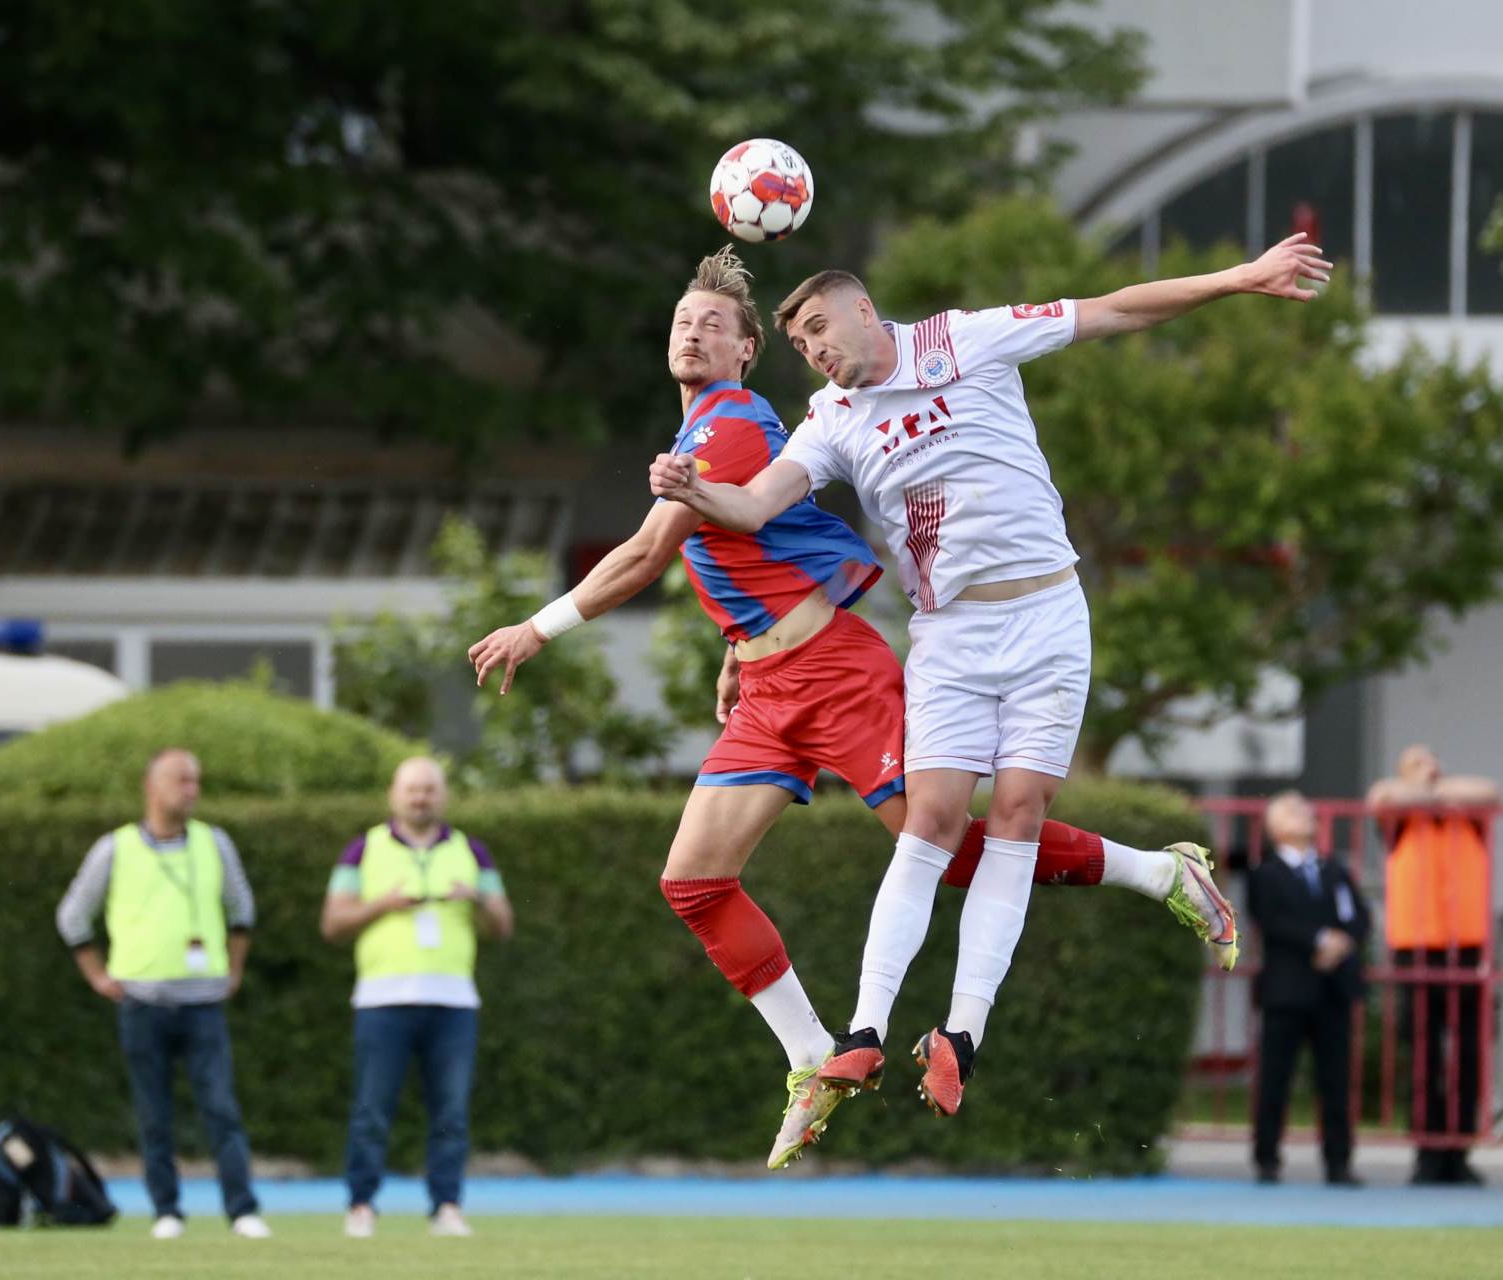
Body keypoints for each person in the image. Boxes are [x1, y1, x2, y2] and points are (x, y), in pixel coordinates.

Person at [468, 248, 1240, 1168]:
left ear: (748, 352)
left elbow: (650, 555)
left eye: (715, 324)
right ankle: (811, 1055)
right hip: (767, 689)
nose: (693, 330)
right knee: (694, 882)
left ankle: (1158, 874)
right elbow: (746, 550)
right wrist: (732, 646)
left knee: (947, 851)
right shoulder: (738, 430)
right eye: (682, 318)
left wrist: (538, 627)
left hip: (838, 672)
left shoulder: (732, 420)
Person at [650, 233, 1330, 1119]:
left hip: (1046, 615)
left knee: (1013, 815)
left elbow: (1118, 308)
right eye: (803, 343)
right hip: (949, 636)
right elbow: (754, 504)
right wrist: (695, 492)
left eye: (822, 328)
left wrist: (1242, 277)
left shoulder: (967, 340)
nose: (815, 351)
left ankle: (962, 1034)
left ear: (867, 312)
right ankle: (861, 1036)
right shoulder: (830, 419)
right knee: (929, 823)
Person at [54, 748, 270, 1240]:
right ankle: (167, 1211)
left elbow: (242, 911)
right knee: (154, 1113)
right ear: (152, 787)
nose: (192, 789)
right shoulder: (116, 847)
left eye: (196, 780)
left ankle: (242, 1211)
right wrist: (96, 974)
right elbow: (72, 916)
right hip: (142, 1003)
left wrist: (233, 969)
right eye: (181, 780)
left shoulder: (215, 843)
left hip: (204, 1002)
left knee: (222, 1109)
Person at [320, 757, 513, 1239]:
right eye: (412, 789)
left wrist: (479, 899)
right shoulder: (362, 849)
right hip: (382, 1001)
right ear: (394, 794)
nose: (420, 797)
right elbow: (332, 924)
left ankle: (446, 1206)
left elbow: (503, 925)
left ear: (442, 796)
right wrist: (380, 905)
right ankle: (361, 1205)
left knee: (450, 1111)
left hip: (452, 1002)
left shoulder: (473, 851)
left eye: (429, 789)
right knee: (372, 1108)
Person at [1365, 744, 1499, 1185]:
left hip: (1467, 945)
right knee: (1423, 1051)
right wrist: (1419, 790)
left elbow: (1489, 791)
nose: (1430, 770)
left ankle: (1458, 1149)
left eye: (1433, 763)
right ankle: (1427, 1150)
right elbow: (1381, 797)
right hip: (1416, 945)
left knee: (1468, 1053)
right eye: (1417, 765)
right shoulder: (1399, 819)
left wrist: (1431, 788)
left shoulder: (1465, 813)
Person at [1246, 791, 1370, 1187]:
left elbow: (1360, 916)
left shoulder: (1333, 870)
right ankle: (1267, 1158)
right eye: (1292, 811)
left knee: (1335, 1079)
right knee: (1275, 1076)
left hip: (1332, 990)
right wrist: (1319, 940)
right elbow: (1271, 919)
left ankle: (1338, 1160)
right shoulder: (1266, 874)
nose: (1305, 815)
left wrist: (1343, 943)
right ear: (1275, 827)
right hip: (1287, 990)